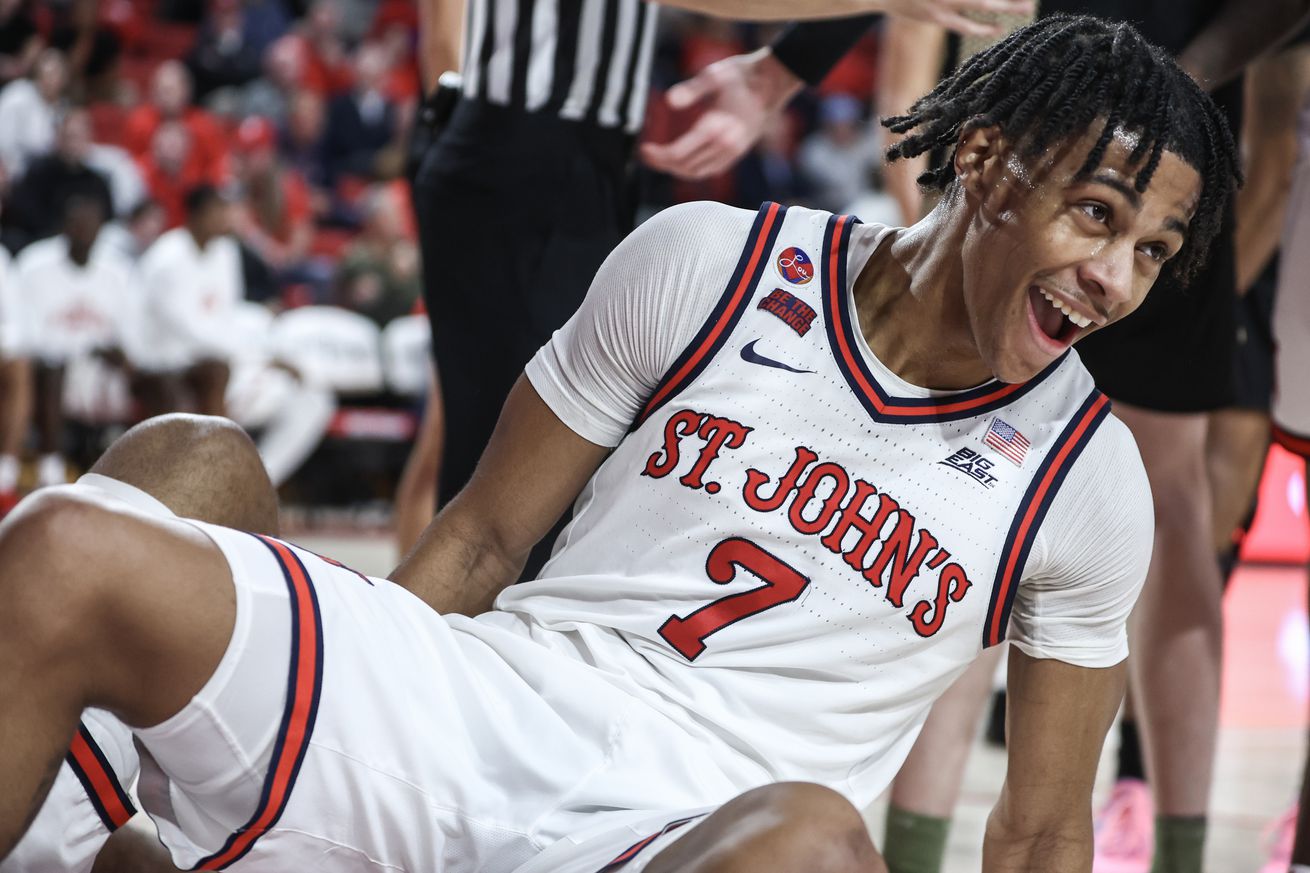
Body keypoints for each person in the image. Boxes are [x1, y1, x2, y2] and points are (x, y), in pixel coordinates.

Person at [0, 15, 1239, 873]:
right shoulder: (711, 263)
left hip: (684, 830)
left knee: (812, 841)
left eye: (1149, 251)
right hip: (491, 700)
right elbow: (482, 539)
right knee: (93, 523)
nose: (1114, 279)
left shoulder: (1086, 482)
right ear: (982, 160)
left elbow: (1033, 837)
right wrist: (339, 738)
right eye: (1097, 216)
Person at [412, 0, 1036, 582]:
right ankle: (425, 670)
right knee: (498, 496)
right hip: (515, 157)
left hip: (580, 167)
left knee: (514, 477)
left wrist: (778, 71)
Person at [12, 195, 132, 492]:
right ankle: (49, 470)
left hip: (102, 371)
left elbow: (129, 332)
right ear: (64, 227)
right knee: (53, 368)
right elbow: (27, 335)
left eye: (91, 227)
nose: (84, 233)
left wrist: (117, 352)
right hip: (48, 371)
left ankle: (134, 476)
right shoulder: (33, 263)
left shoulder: (117, 269)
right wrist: (85, 345)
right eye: (78, 226)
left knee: (146, 373)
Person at [129, 184, 244, 418]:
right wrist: (231, 347)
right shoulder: (167, 256)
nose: (223, 217)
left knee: (220, 373)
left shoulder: (227, 252)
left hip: (201, 355)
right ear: (196, 216)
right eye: (216, 211)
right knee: (208, 378)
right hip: (157, 358)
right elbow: (180, 324)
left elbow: (229, 310)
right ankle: (203, 451)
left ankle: (218, 449)